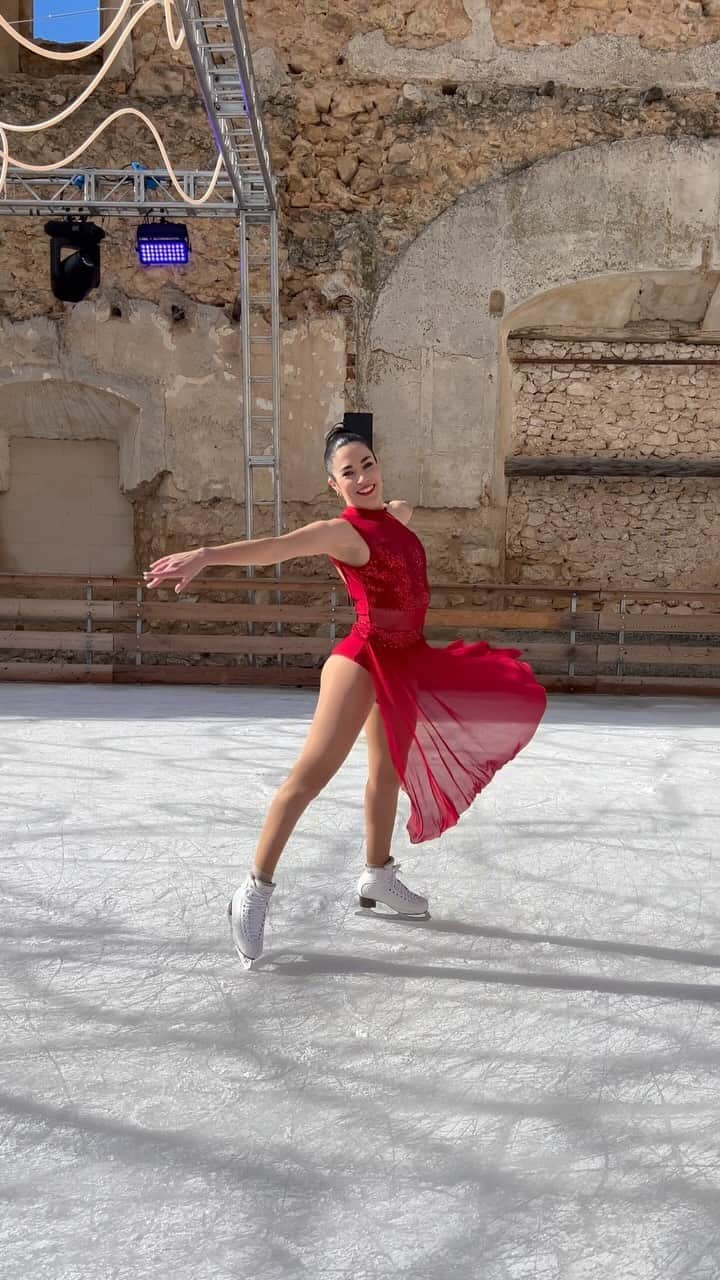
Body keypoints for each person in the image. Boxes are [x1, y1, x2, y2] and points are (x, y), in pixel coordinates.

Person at [144, 425, 547, 968]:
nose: (362, 477)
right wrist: (207, 554)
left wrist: (394, 505)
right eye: (348, 472)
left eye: (368, 463)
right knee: (309, 777)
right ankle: (254, 890)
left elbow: (398, 513)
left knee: (386, 774)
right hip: (362, 658)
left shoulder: (396, 515)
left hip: (406, 659)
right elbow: (277, 549)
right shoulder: (341, 531)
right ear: (334, 485)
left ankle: (378, 874)